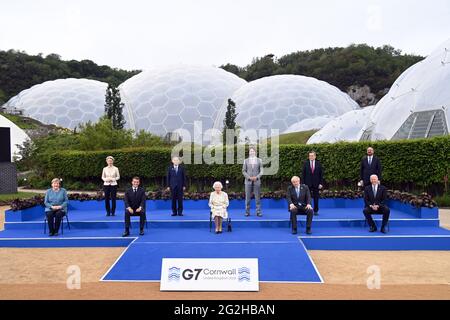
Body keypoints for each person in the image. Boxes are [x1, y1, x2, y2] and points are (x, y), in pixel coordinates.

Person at [242, 147, 263, 217]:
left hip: (257, 181)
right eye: (250, 151)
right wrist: (249, 177)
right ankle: (247, 212)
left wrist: (257, 177)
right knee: (247, 198)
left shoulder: (259, 160)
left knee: (257, 198)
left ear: (255, 152)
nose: (252, 152)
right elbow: (243, 171)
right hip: (248, 182)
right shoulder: (245, 160)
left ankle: (258, 212)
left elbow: (262, 171)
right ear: (249, 152)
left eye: (253, 151)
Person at [302, 151, 324, 216]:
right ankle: (307, 210)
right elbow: (303, 174)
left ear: (315, 156)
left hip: (316, 184)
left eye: (312, 156)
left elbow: (321, 175)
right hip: (307, 184)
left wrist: (321, 183)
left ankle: (316, 210)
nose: (311, 157)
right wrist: (303, 184)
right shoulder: (305, 163)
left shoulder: (318, 164)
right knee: (307, 198)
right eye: (309, 156)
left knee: (316, 198)